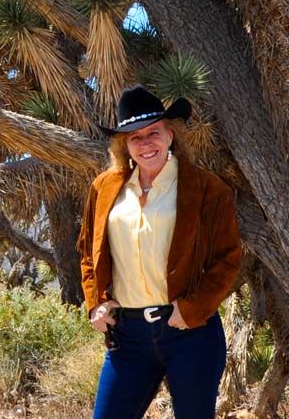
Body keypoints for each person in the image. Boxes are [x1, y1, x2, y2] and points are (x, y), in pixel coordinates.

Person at [77, 85, 242, 419]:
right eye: (134, 137)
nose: (145, 143)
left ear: (170, 134)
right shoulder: (105, 188)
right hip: (128, 338)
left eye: (153, 133)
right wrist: (96, 301)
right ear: (124, 144)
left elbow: (229, 257)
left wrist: (193, 308)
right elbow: (87, 251)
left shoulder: (207, 189)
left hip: (189, 333)